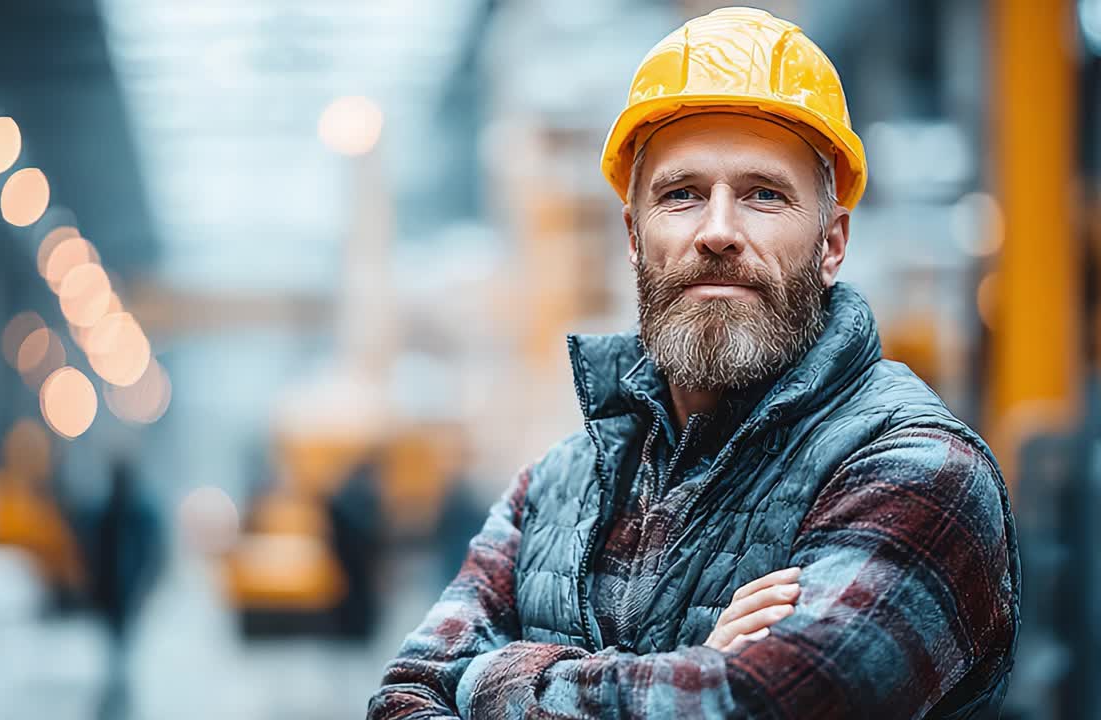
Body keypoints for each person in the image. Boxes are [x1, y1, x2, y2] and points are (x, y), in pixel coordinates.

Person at [367, 7, 1019, 719]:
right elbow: (402, 698)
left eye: (763, 195)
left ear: (832, 243)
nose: (718, 230)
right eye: (682, 195)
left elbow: (759, 703)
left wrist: (494, 678)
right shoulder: (553, 490)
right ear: (633, 237)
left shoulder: (916, 470)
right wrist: (692, 666)